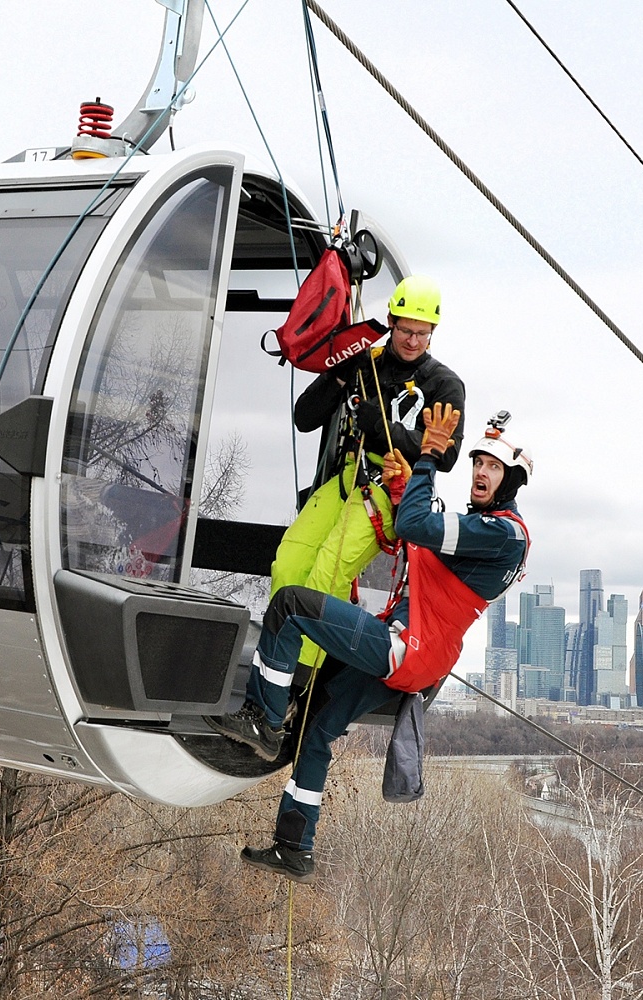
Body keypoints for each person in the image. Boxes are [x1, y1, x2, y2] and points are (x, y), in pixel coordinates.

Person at [206, 405, 532, 883]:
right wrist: (404, 491)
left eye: (493, 467)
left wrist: (427, 458)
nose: (480, 472)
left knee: (290, 606)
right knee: (317, 728)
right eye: (478, 463)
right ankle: (294, 846)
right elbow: (421, 547)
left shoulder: (503, 533)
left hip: (405, 647)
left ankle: (264, 720)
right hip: (417, 659)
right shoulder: (490, 532)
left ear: (511, 480)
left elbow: (415, 527)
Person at [270, 275, 466, 672]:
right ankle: (272, 658)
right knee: (289, 562)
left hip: (390, 486)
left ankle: (301, 676)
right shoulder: (365, 363)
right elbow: (304, 418)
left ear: (433, 331)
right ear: (391, 322)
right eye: (406, 331)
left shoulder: (443, 385)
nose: (413, 341)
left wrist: (382, 427)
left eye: (423, 334)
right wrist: (340, 374)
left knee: (329, 572)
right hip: (347, 477)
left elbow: (446, 455)